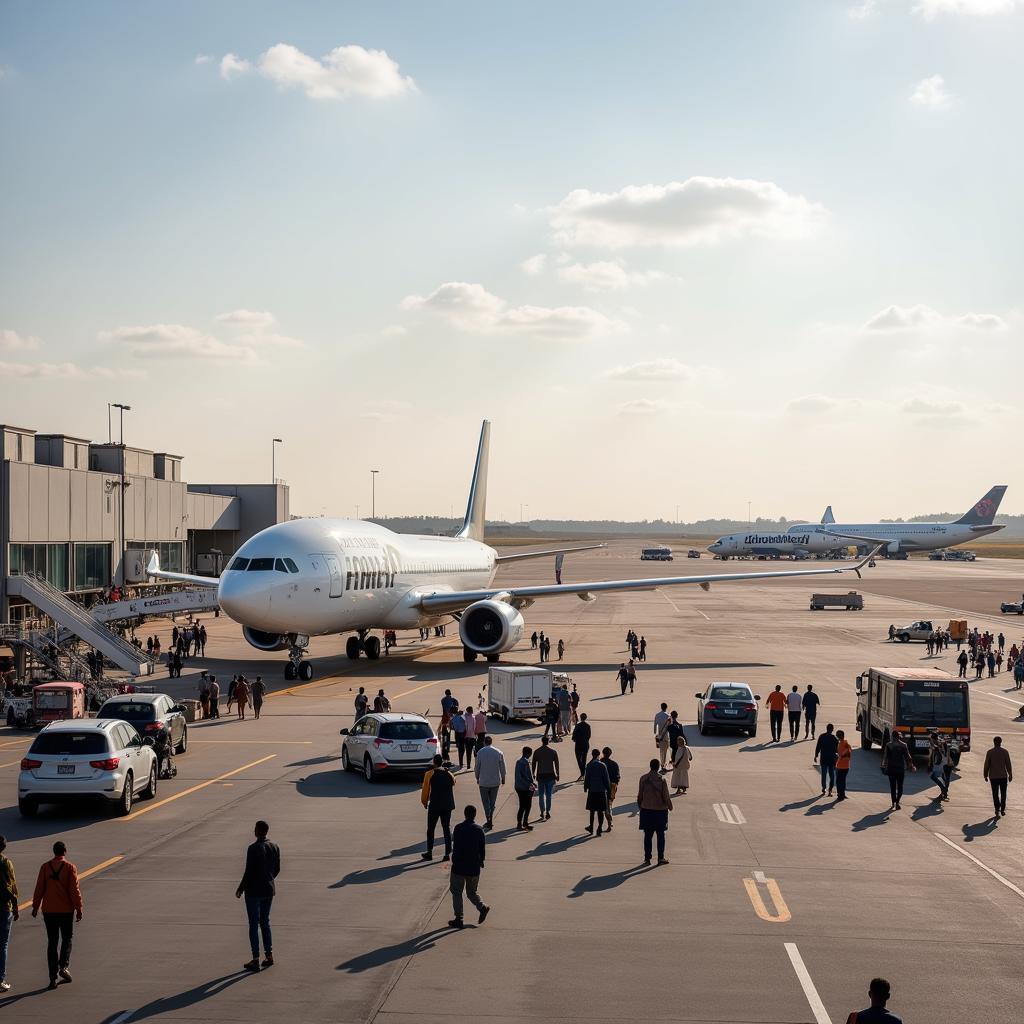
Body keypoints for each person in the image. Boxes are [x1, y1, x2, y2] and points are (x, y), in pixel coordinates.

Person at [31, 841, 82, 990]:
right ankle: (63, 966)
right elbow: (74, 890)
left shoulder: (45, 867)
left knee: (52, 942)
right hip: (66, 911)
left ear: (54, 852)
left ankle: (52, 977)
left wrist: (35, 906)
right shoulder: (70, 867)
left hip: (49, 911)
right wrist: (79, 908)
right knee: (67, 938)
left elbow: (39, 887)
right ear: (65, 851)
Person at [236, 820, 280, 972]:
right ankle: (269, 955)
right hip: (268, 890)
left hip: (254, 891)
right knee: (265, 922)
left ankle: (255, 958)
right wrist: (268, 879)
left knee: (254, 924)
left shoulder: (253, 848)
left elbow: (248, 872)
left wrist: (240, 889)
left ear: (258, 831)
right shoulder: (274, 846)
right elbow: (277, 869)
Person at [449, 805, 489, 929]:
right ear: (475, 815)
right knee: (471, 892)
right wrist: (481, 860)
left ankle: (459, 918)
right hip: (474, 867)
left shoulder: (458, 828)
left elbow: (454, 846)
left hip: (459, 867)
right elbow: (482, 848)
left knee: (456, 891)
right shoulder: (479, 830)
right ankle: (482, 907)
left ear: (465, 814)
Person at [637, 758, 673, 866]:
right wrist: (670, 806)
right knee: (660, 835)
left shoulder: (643, 778)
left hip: (646, 810)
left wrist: (641, 807)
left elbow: (640, 795)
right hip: (660, 812)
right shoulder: (661, 779)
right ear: (658, 767)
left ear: (650, 766)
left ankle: (647, 858)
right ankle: (660, 858)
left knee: (648, 835)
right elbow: (666, 796)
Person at [421, 754, 456, 861]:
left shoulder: (429, 774)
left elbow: (425, 789)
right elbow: (454, 782)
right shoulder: (449, 773)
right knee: (446, 828)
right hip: (447, 805)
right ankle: (447, 854)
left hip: (435, 805)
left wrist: (424, 802)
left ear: (434, 763)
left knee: (431, 829)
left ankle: (429, 852)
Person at [474, 736, 506, 830]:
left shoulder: (480, 752)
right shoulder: (498, 752)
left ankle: (488, 818)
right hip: (495, 782)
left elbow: (477, 767)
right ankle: (490, 818)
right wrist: (503, 778)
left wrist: (477, 777)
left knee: (485, 802)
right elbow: (502, 767)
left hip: (483, 782)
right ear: (491, 742)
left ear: (484, 742)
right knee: (492, 802)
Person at [0, 835, 18, 993]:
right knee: (3, 944)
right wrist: (16, 906)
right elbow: (11, 886)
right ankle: (1, 979)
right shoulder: (5, 862)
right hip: (4, 907)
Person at [881, 730, 915, 810]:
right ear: (899, 736)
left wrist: (883, 765)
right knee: (900, 787)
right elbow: (908, 757)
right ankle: (897, 802)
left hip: (891, 768)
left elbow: (885, 757)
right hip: (900, 768)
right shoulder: (904, 745)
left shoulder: (888, 745)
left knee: (892, 787)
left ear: (892, 736)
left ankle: (893, 803)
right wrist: (912, 766)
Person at [983, 735, 1013, 817]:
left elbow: (987, 765)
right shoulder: (1005, 752)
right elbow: (1008, 764)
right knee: (1003, 793)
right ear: (1001, 742)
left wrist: (985, 775)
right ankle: (1002, 809)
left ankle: (997, 808)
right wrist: (1010, 774)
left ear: (994, 742)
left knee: (995, 793)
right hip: (1003, 776)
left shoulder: (990, 752)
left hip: (993, 777)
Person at [583, 749, 611, 835]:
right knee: (600, 810)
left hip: (592, 790)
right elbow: (606, 778)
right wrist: (608, 788)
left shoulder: (589, 765)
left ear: (592, 755)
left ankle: (591, 827)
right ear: (599, 755)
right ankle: (599, 828)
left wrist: (585, 787)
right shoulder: (603, 765)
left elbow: (587, 777)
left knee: (592, 810)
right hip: (601, 790)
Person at [532, 736, 559, 820]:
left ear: (542, 741)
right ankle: (548, 811)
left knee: (541, 795)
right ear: (548, 742)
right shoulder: (553, 752)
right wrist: (558, 774)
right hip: (550, 775)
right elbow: (557, 764)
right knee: (548, 795)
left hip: (541, 775)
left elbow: (533, 764)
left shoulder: (537, 752)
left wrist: (533, 773)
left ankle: (542, 812)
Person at [814, 723, 839, 796]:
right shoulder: (834, 738)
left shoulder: (822, 736)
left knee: (824, 774)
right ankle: (830, 790)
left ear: (826, 728)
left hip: (823, 758)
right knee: (832, 775)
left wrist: (816, 755)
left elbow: (818, 746)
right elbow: (837, 750)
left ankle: (824, 788)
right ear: (832, 729)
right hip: (831, 759)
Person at [514, 746, 536, 830]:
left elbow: (519, 777)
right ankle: (525, 822)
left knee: (522, 806)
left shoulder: (518, 762)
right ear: (528, 753)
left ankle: (520, 823)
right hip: (525, 788)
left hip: (518, 787)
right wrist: (531, 784)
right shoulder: (525, 763)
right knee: (527, 806)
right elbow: (525, 777)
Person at [928, 731, 949, 801]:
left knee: (933, 777)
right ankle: (944, 793)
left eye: (931, 738)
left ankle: (944, 790)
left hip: (940, 762)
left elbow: (936, 748)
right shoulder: (939, 741)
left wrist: (931, 742)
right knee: (942, 778)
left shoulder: (937, 743)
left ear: (933, 738)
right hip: (942, 762)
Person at [601, 746, 620, 818]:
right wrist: (615, 784)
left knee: (602, 806)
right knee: (609, 803)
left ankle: (608, 816)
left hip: (601, 786)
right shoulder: (614, 764)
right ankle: (609, 817)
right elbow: (617, 776)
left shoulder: (600, 763)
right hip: (612, 786)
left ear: (603, 753)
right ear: (610, 754)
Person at [572, 713, 592, 780]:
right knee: (584, 759)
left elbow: (574, 736)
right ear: (586, 718)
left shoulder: (578, 725)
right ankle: (583, 773)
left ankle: (582, 773)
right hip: (585, 744)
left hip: (578, 744)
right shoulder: (588, 726)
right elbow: (589, 736)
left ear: (580, 718)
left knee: (579, 759)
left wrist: (575, 739)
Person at [835, 729, 852, 801]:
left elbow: (840, 754)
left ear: (839, 736)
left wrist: (838, 756)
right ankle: (843, 794)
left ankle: (840, 794)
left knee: (839, 781)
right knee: (843, 780)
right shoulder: (847, 744)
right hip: (846, 766)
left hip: (840, 766)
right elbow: (849, 754)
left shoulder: (840, 745)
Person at [654, 703, 671, 771]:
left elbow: (655, 725)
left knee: (661, 751)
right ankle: (663, 763)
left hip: (660, 735)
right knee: (665, 751)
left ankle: (662, 763)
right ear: (666, 707)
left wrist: (655, 732)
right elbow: (670, 725)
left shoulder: (657, 715)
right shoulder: (668, 716)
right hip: (666, 736)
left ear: (661, 707)